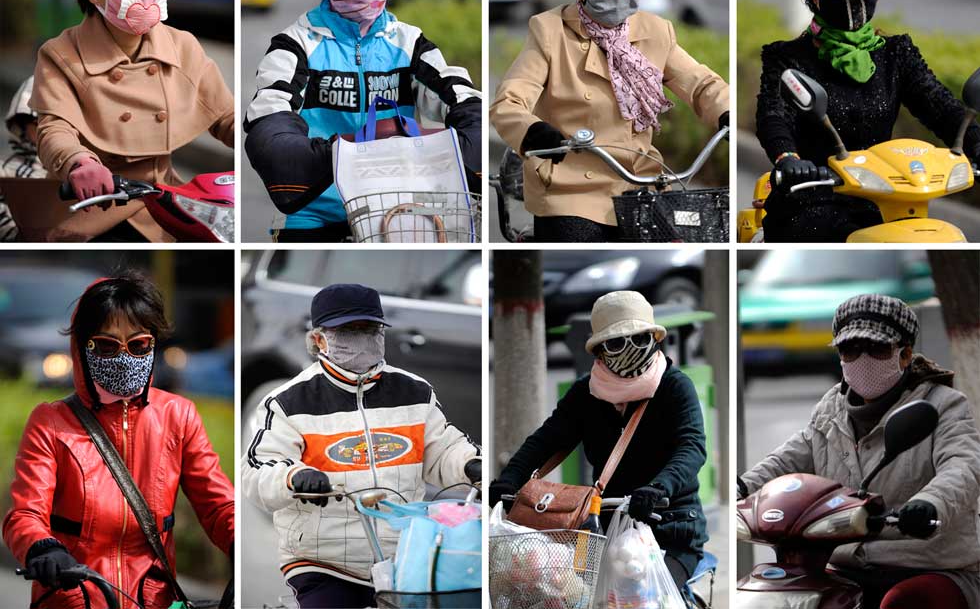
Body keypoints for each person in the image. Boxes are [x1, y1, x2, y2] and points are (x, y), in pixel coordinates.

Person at [2, 273, 234, 609]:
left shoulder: (178, 415)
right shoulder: (50, 421)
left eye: (138, 345)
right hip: (75, 597)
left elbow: (219, 504)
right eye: (107, 346)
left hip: (153, 598)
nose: (124, 357)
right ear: (83, 346)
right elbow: (24, 513)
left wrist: (236, 543)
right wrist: (43, 548)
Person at [242, 283, 482, 608]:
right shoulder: (288, 401)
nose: (361, 338)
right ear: (318, 339)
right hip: (321, 558)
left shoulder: (414, 391)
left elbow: (441, 448)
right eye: (348, 330)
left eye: (369, 329)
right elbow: (258, 470)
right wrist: (293, 478)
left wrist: (470, 464)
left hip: (406, 553)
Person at [489, 0, 729, 242]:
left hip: (640, 184)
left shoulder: (656, 30)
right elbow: (509, 103)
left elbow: (700, 83)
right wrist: (533, 131)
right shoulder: (549, 31)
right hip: (571, 187)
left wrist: (725, 111)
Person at [738, 294, 980, 609]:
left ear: (905, 355)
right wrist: (744, 487)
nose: (862, 359)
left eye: (877, 349)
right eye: (850, 349)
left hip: (928, 565)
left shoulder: (944, 405)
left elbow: (964, 466)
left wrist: (929, 505)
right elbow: (790, 457)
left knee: (904, 603)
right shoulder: (830, 408)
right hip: (844, 564)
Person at [244, 0, 483, 242]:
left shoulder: (409, 43)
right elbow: (269, 115)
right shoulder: (295, 44)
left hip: (398, 211)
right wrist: (346, 147)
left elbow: (462, 96)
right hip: (317, 212)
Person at [755, 0, 980, 242]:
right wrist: (789, 159)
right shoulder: (787, 58)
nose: (855, 2)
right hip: (812, 197)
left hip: (887, 201)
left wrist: (976, 141)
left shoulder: (896, 54)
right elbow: (774, 115)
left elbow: (940, 107)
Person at [30, 0, 234, 242]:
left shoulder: (181, 45)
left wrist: (269, 134)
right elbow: (55, 128)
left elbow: (226, 115)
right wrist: (79, 162)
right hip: (96, 207)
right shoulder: (61, 54)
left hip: (169, 205)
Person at [489, 291, 707, 589]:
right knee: (558, 590)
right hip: (598, 526)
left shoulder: (675, 386)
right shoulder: (585, 393)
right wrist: (509, 479)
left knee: (648, 596)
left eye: (640, 339)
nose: (630, 349)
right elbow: (546, 439)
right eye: (617, 343)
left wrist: (659, 488)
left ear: (655, 340)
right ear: (600, 351)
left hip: (670, 525)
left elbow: (691, 447)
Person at [1, 76, 44, 241]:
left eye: (55, 122)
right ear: (22, 124)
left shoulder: (84, 166)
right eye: (37, 122)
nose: (46, 129)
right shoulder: (6, 171)